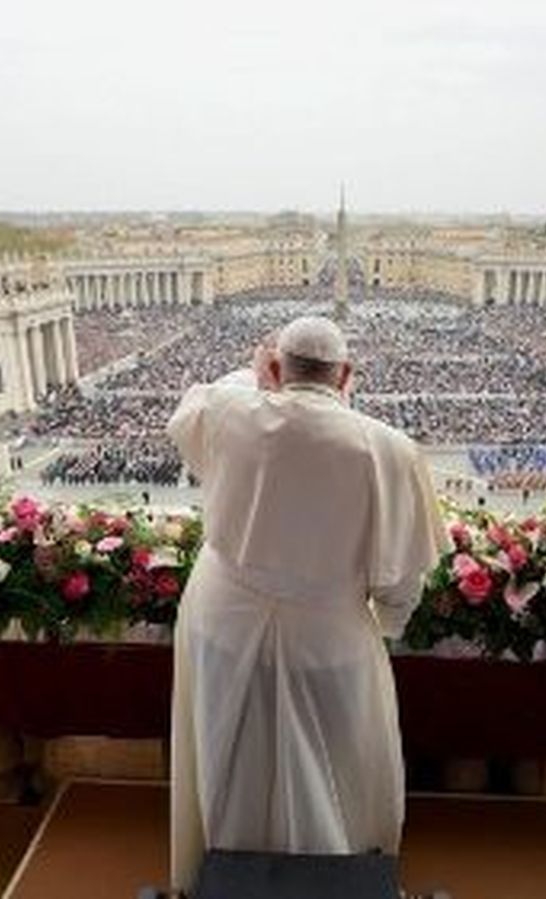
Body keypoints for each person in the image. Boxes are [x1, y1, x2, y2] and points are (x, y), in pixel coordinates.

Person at [166, 316, 445, 892]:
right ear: (347, 374)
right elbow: (401, 585)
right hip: (329, 636)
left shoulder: (230, 409)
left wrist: (257, 372)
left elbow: (198, 405)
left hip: (222, 622)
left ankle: (227, 869)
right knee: (335, 767)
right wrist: (382, 628)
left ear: (274, 368)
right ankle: (335, 875)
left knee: (228, 755)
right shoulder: (388, 448)